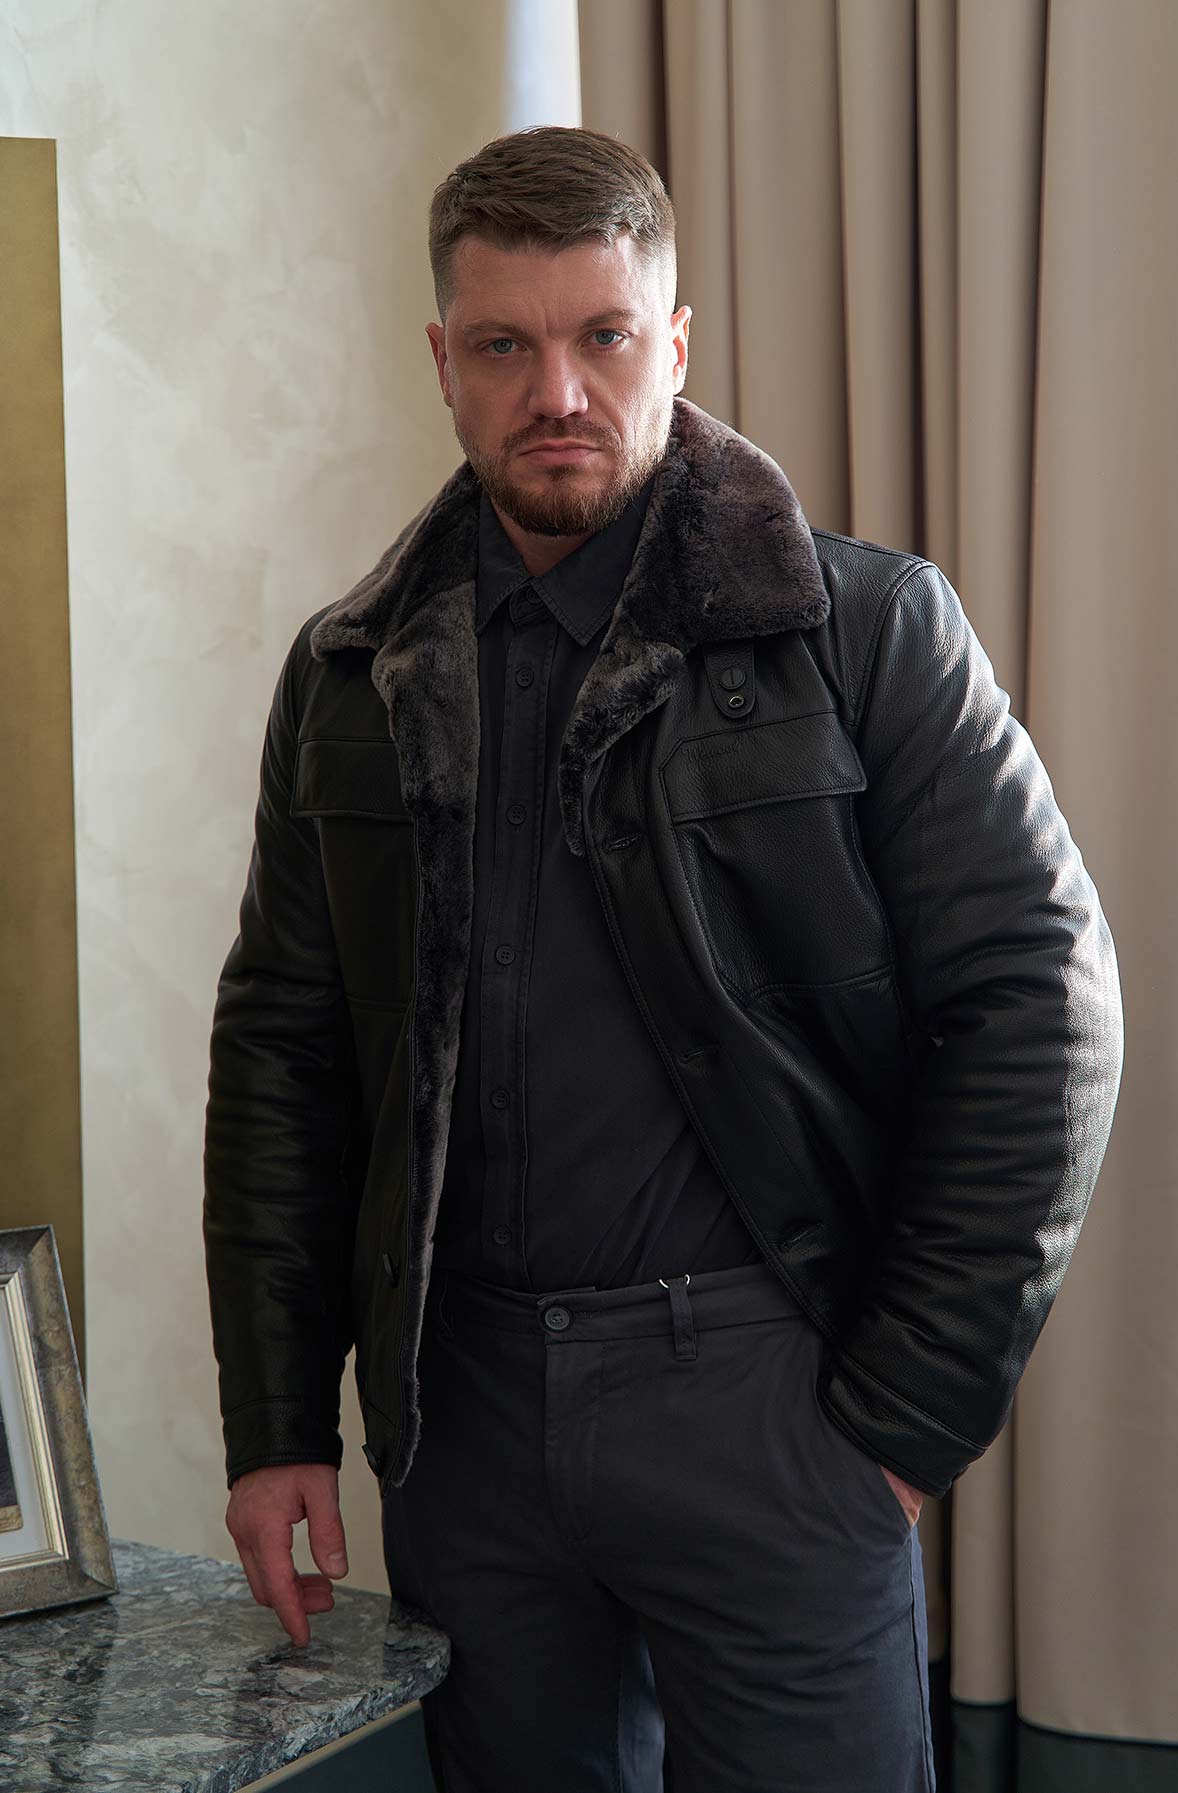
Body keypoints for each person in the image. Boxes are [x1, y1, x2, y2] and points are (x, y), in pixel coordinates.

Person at [203, 124, 1124, 1792]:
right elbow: (284, 1054)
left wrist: (900, 1426)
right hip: (465, 1423)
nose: (557, 390)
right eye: (505, 345)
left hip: (772, 1403)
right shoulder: (349, 675)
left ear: (676, 345)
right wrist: (275, 1425)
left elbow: (1042, 1012)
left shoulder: (866, 631)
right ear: (444, 363)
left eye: (605, 336)